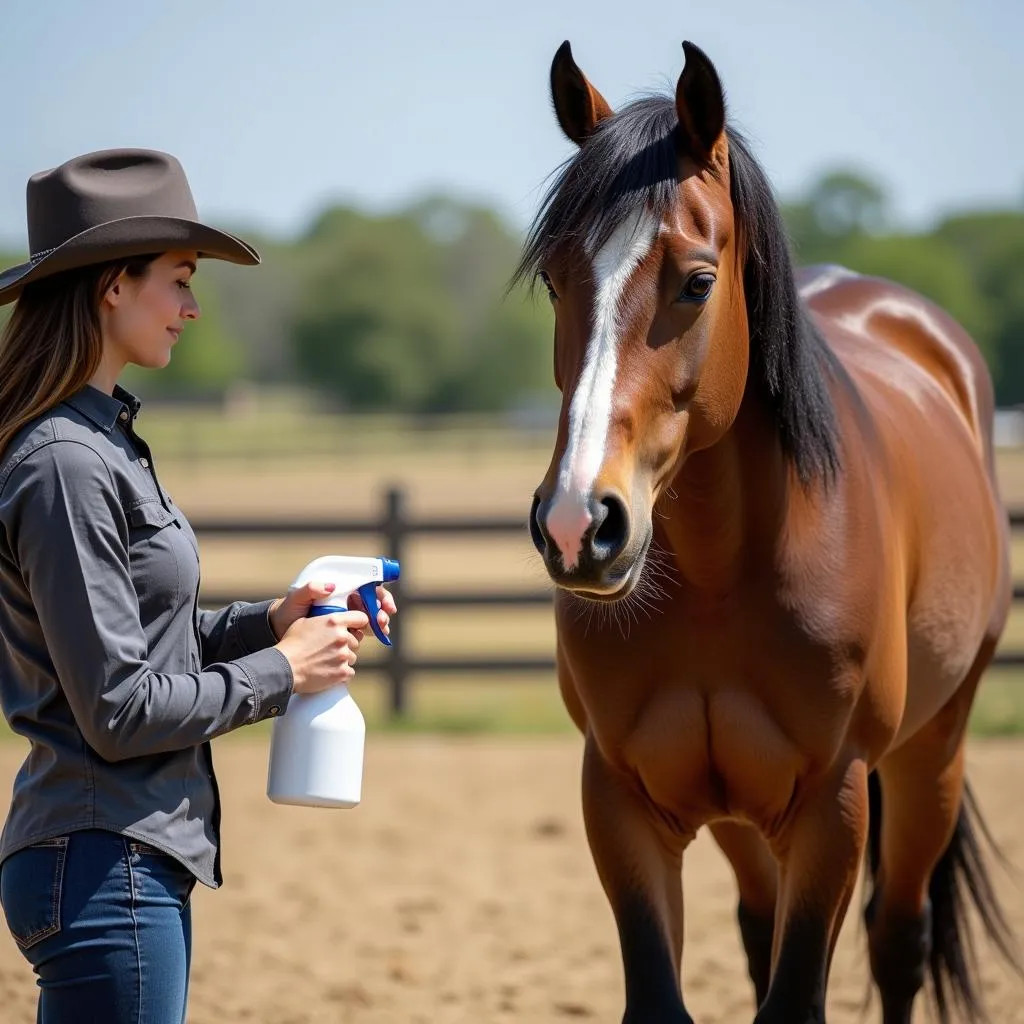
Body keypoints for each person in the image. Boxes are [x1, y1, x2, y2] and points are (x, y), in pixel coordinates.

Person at [0, 148, 397, 1024]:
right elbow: (118, 708)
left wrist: (275, 622)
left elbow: (143, 643)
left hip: (112, 858)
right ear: (113, 284)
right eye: (178, 280)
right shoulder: (68, 461)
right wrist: (285, 671)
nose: (192, 306)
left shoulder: (95, 444)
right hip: (107, 861)